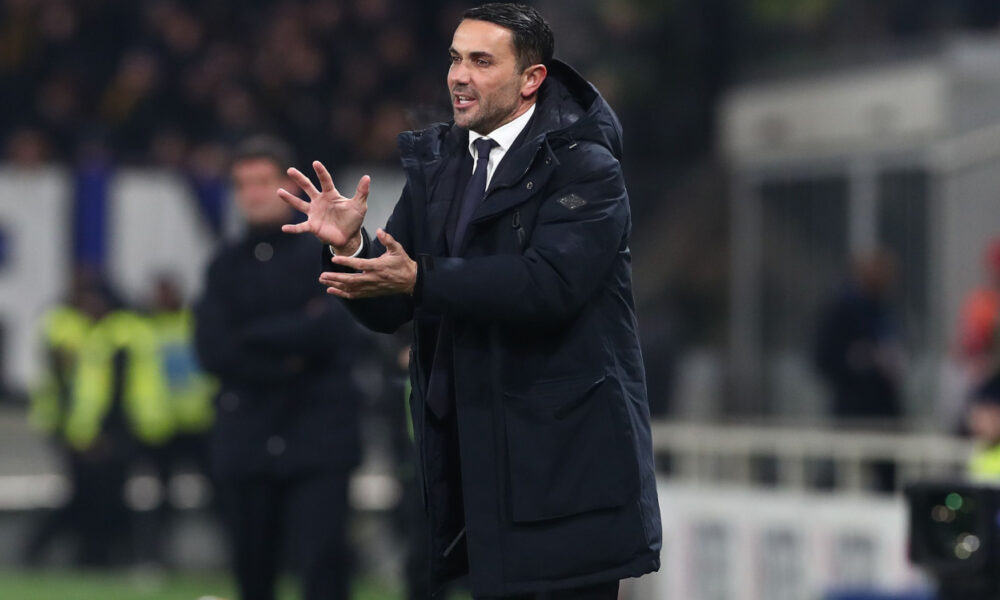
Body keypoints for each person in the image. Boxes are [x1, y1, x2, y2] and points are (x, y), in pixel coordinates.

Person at [279, 4, 661, 598]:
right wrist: (351, 246)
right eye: (455, 58)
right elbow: (392, 304)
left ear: (531, 78)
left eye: (481, 61)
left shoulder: (586, 166)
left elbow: (547, 286)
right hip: (479, 468)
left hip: (568, 467)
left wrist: (420, 278)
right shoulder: (442, 170)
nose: (459, 75)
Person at [194, 136, 363, 600]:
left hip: (317, 438)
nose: (252, 193)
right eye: (242, 183)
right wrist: (293, 350)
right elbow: (213, 351)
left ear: (292, 185)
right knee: (253, 575)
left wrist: (253, 336)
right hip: (247, 443)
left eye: (263, 181)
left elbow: (339, 329)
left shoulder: (324, 251)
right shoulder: (223, 266)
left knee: (323, 572)